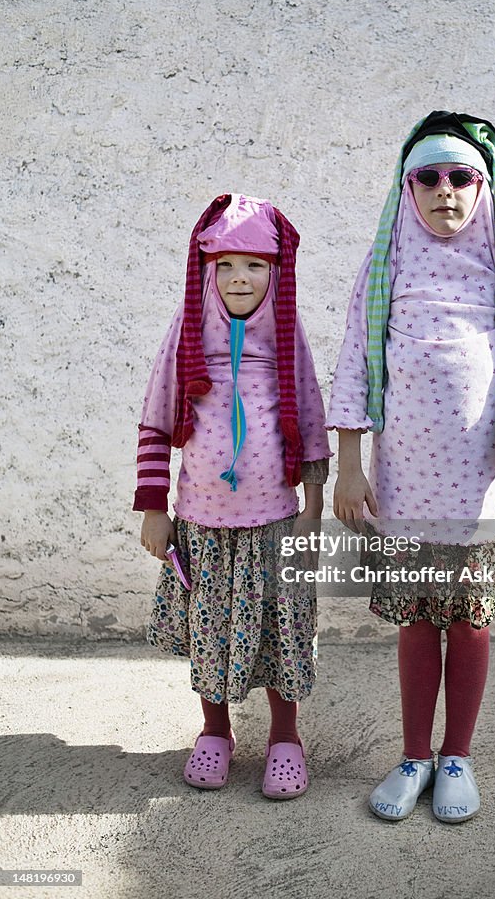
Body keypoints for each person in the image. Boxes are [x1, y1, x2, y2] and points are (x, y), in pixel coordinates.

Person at [327, 111, 495, 823]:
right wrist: (348, 466)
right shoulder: (386, 262)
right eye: (426, 178)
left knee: (468, 619)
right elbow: (354, 364)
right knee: (416, 621)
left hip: (479, 486)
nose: (445, 191)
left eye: (462, 177)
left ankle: (456, 755)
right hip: (403, 485)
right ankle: (413, 756)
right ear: (406, 188)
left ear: (483, 187)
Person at [134, 192, 331, 797]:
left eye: (254, 265)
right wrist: (152, 509)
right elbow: (157, 418)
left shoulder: (286, 336)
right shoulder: (188, 333)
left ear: (276, 272)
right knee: (211, 630)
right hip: (203, 523)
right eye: (225, 265)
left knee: (279, 632)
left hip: (275, 520)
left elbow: (314, 420)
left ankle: (285, 739)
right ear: (205, 270)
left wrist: (314, 509)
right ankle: (215, 732)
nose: (239, 278)